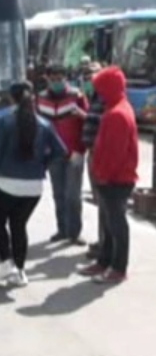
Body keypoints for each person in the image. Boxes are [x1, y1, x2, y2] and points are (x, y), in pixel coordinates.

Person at [0, 81, 67, 287]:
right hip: (33, 188)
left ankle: (6, 262)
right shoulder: (45, 124)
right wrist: (42, 165)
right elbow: (61, 151)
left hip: (5, 183)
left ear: (11, 98)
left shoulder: (3, 122)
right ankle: (21, 272)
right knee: (19, 225)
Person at [79, 66, 138, 284]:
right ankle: (104, 261)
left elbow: (115, 153)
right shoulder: (116, 108)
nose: (98, 93)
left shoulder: (117, 114)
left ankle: (118, 267)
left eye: (100, 88)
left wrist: (103, 175)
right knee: (108, 222)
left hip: (115, 179)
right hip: (112, 177)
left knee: (116, 224)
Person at [36, 64, 89, 245]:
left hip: (74, 153)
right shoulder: (41, 99)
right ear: (47, 79)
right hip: (53, 155)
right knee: (58, 194)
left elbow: (87, 123)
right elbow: (38, 128)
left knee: (73, 195)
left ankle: (75, 233)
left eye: (60, 78)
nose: (57, 82)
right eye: (54, 79)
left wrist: (80, 150)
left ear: (66, 78)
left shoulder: (77, 96)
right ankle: (62, 229)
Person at [80, 61, 106, 260]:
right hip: (93, 155)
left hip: (101, 156)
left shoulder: (106, 98)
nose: (90, 80)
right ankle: (102, 240)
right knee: (99, 201)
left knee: (106, 203)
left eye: (93, 76)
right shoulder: (94, 96)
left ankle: (105, 243)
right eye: (87, 77)